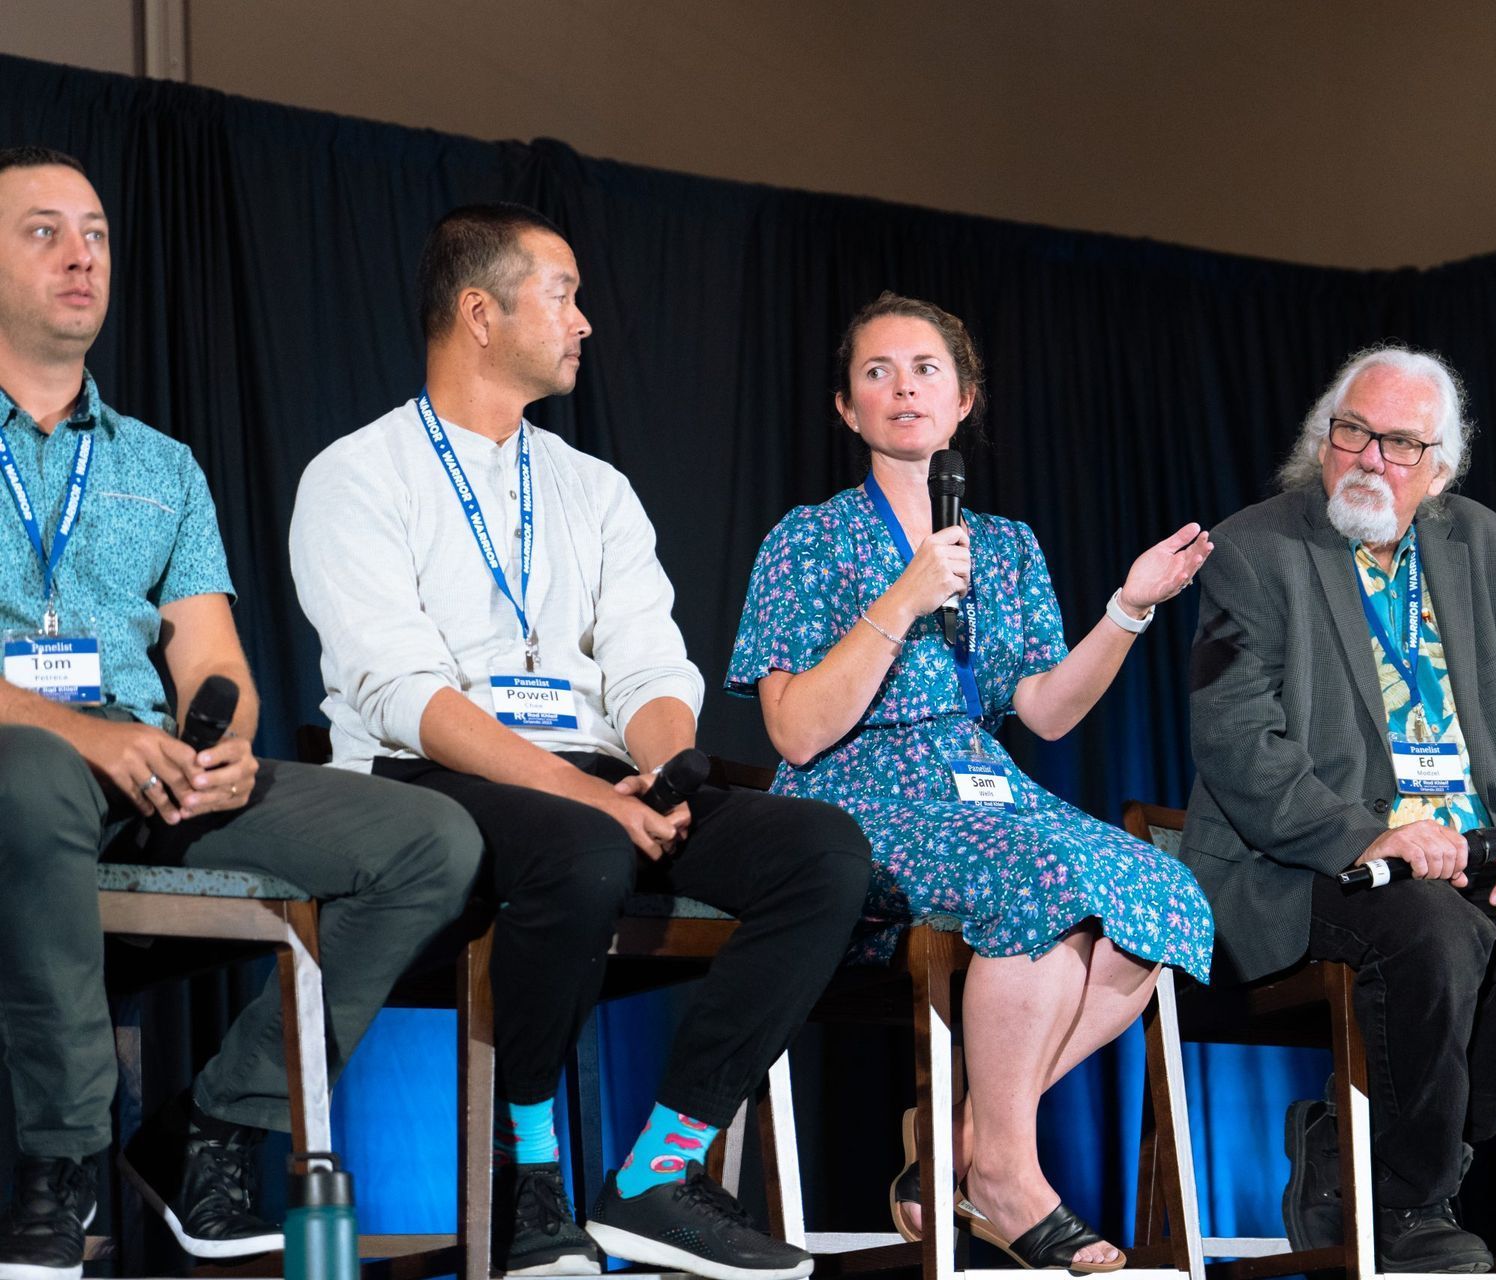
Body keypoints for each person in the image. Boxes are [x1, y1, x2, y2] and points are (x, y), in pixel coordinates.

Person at [289, 202, 871, 1280]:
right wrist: (589, 795)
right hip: (434, 777)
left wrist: (666, 759)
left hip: (597, 774)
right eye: (562, 293)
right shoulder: (358, 473)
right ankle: (530, 1169)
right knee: (585, 847)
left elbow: (648, 662)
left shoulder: (592, 487)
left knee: (825, 852)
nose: (585, 320)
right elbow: (401, 688)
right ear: (479, 311)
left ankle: (659, 1168)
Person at [0, 147, 483, 1280]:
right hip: (29, 767)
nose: (82, 254)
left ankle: (217, 1123)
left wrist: (222, 740)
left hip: (149, 767)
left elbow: (212, 653)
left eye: (98, 232)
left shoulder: (160, 465)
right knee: (25, 772)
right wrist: (92, 738)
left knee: (434, 839)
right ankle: (62, 1161)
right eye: (43, 231)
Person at [725, 292, 1216, 1273]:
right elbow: (795, 726)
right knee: (1036, 873)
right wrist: (905, 596)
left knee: (1162, 893)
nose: (902, 386)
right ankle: (1005, 1174)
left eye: (924, 369)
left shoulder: (1010, 544)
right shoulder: (808, 538)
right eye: (876, 372)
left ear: (964, 402)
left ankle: (956, 1139)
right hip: (855, 790)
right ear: (844, 407)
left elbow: (1043, 710)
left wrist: (1126, 608)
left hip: (984, 782)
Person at [1183, 345, 1496, 1273]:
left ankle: (1349, 1149)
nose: (1367, 458)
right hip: (1307, 866)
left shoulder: (1488, 546)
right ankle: (1405, 1206)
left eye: (1399, 444)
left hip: (1473, 859)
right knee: (1432, 932)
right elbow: (1234, 737)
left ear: (1439, 468)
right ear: (1322, 439)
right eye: (1350, 431)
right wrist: (1367, 834)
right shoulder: (1251, 548)